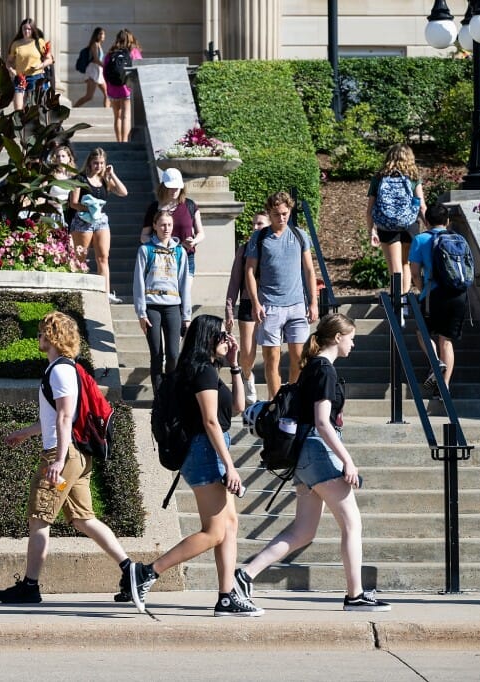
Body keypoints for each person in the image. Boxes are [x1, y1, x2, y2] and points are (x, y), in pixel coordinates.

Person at [234, 314, 391, 613]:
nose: (354, 343)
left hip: (304, 458)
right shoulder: (324, 370)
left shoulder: (312, 368)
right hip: (319, 453)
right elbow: (322, 422)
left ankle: (245, 574)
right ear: (336, 338)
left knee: (303, 532)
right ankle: (355, 594)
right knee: (352, 523)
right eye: (351, 337)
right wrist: (348, 461)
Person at [0, 311, 141, 604]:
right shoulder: (65, 369)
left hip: (63, 456)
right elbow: (55, 419)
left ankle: (30, 586)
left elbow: (64, 418)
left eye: (41, 333)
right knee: (83, 519)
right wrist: (25, 433)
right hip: (74, 455)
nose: (38, 338)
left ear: (52, 337)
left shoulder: (60, 370)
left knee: (39, 518)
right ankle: (131, 569)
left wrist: (58, 461)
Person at [127, 314, 262, 617]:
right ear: (210, 338)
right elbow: (211, 421)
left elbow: (238, 407)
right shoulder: (201, 373)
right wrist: (230, 466)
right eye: (223, 336)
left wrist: (236, 365)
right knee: (215, 531)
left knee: (229, 526)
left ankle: (227, 596)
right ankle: (147, 572)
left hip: (210, 449)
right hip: (204, 451)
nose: (228, 341)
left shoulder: (207, 371)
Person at [244, 191, 319, 400]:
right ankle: (276, 402)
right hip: (270, 306)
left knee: (299, 358)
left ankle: (291, 398)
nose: (282, 218)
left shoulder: (299, 235)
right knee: (271, 359)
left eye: (285, 213)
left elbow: (309, 271)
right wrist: (255, 303)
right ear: (269, 213)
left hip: (296, 304)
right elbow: (249, 271)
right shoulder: (259, 237)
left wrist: (313, 302)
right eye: (277, 214)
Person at [409, 203, 469, 397]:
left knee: (422, 331)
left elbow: (415, 273)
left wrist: (423, 290)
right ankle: (444, 387)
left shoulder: (420, 239)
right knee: (446, 340)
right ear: (448, 221)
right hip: (458, 294)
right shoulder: (459, 239)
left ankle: (436, 362)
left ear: (426, 221)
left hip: (434, 295)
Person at [133, 209, 191, 391]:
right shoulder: (145, 250)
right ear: (155, 226)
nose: (166, 228)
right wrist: (141, 313)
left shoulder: (180, 251)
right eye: (163, 225)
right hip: (152, 306)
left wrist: (186, 314)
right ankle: (159, 396)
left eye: (169, 225)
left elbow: (184, 284)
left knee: (173, 354)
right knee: (156, 354)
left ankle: (171, 391)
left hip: (173, 306)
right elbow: (138, 282)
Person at [367, 143, 425, 314]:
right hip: (410, 224)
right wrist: (430, 226)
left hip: (387, 225)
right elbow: (421, 206)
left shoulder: (379, 177)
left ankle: (397, 305)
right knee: (405, 263)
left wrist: (372, 230)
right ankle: (404, 302)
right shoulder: (413, 176)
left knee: (394, 267)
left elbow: (370, 209)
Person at [140, 168, 204, 313]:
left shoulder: (190, 205)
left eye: (177, 186)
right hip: (160, 260)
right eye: (171, 186)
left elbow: (201, 233)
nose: (174, 189)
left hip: (186, 257)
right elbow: (144, 236)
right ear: (164, 186)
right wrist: (158, 244)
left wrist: (194, 241)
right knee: (168, 300)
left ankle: (183, 327)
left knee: (184, 294)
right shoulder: (154, 208)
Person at [68, 148, 128, 303]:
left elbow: (123, 192)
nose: (98, 166)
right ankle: (77, 289)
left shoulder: (104, 180)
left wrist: (111, 174)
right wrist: (89, 208)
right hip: (83, 221)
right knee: (80, 257)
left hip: (100, 220)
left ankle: (106, 292)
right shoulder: (80, 179)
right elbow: (73, 203)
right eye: (96, 163)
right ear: (89, 162)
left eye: (101, 163)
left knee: (103, 257)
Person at [225, 211, 271, 405]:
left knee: (271, 351)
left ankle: (273, 392)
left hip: (271, 303)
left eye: (259, 224)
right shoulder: (244, 249)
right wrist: (229, 309)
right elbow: (235, 281)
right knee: (247, 351)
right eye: (253, 224)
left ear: (269, 225)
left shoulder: (274, 248)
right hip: (247, 303)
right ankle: (247, 376)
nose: (255, 227)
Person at [5, 18, 53, 111]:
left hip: (36, 77)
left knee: (35, 108)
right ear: (21, 30)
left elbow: (49, 59)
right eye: (24, 29)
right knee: (18, 109)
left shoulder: (39, 42)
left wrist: (40, 66)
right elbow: (9, 61)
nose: (26, 31)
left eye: (29, 29)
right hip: (20, 78)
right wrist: (11, 70)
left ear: (33, 29)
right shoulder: (16, 44)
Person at [104, 29, 142, 142]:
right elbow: (140, 68)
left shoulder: (110, 54)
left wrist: (109, 85)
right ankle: (125, 141)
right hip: (127, 87)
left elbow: (105, 71)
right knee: (126, 116)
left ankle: (119, 140)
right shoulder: (133, 52)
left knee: (117, 116)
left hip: (113, 88)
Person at [73, 27, 108, 109]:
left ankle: (107, 111)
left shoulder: (99, 45)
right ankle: (73, 108)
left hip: (99, 71)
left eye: (103, 34)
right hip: (93, 71)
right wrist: (105, 66)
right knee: (89, 96)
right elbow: (95, 59)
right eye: (101, 34)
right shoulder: (94, 45)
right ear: (97, 35)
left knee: (107, 94)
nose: (103, 36)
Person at [47, 144, 76, 226]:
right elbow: (43, 193)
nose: (60, 159)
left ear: (69, 158)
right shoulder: (50, 175)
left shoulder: (73, 177)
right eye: (58, 156)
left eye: (63, 156)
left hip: (68, 213)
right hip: (53, 212)